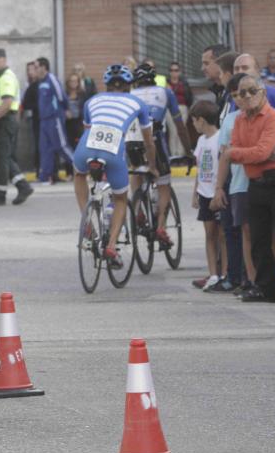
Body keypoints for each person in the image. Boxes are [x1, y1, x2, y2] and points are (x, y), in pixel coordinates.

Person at [224, 74, 275, 303]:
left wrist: (243, 153)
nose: (247, 96)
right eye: (242, 93)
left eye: (252, 90)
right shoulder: (240, 120)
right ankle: (266, 288)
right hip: (256, 183)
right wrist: (249, 153)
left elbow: (258, 152)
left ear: (262, 92)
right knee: (259, 238)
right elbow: (236, 153)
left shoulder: (274, 117)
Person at [72, 64, 157, 268]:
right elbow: (149, 142)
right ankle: (111, 246)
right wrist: (153, 166)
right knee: (120, 198)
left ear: (107, 85)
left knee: (79, 175)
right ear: (129, 86)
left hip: (85, 148)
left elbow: (89, 130)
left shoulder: (92, 101)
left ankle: (87, 223)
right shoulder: (138, 103)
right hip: (113, 150)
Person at [126, 64, 192, 246]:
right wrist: (188, 152)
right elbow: (179, 126)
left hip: (131, 141)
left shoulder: (130, 94)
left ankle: (138, 209)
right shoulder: (166, 92)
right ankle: (161, 226)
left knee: (136, 172)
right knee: (164, 184)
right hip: (154, 139)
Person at [211, 74, 257, 294]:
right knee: (236, 230)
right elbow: (224, 154)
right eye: (236, 95)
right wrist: (219, 187)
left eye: (245, 93)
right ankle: (240, 278)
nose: (241, 98)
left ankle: (261, 278)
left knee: (260, 233)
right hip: (236, 180)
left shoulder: (264, 116)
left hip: (260, 181)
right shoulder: (230, 119)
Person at [0, 48, 34, 206]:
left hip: (4, 120)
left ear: (4, 59)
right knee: (4, 157)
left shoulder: (6, 77)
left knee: (0, 159)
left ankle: (0, 194)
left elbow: (7, 103)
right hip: (3, 119)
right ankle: (23, 186)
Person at [190, 101, 227, 290]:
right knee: (209, 235)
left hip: (217, 194)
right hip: (204, 194)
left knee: (222, 235)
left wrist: (218, 192)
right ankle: (213, 274)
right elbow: (199, 169)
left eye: (194, 121)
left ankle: (225, 273)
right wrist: (195, 192)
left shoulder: (220, 139)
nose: (193, 125)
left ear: (201, 120)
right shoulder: (201, 141)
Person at [34, 57, 74, 183]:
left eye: (36, 67)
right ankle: (45, 177)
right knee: (45, 149)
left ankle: (80, 167)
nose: (35, 70)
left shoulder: (52, 79)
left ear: (43, 67)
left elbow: (61, 95)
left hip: (54, 118)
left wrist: (66, 109)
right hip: (44, 120)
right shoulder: (40, 82)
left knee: (61, 146)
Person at [21, 61, 41, 171]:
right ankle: (36, 167)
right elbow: (25, 103)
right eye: (28, 70)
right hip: (32, 118)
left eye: (32, 69)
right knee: (34, 143)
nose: (30, 72)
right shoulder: (28, 85)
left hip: (43, 119)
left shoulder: (42, 83)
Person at [64, 72, 89, 151]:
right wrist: (65, 112)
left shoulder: (82, 94)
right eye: (71, 81)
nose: (73, 83)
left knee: (79, 144)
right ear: (68, 82)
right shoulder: (65, 94)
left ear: (78, 82)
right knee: (68, 144)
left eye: (75, 81)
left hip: (78, 123)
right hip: (67, 123)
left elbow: (85, 108)